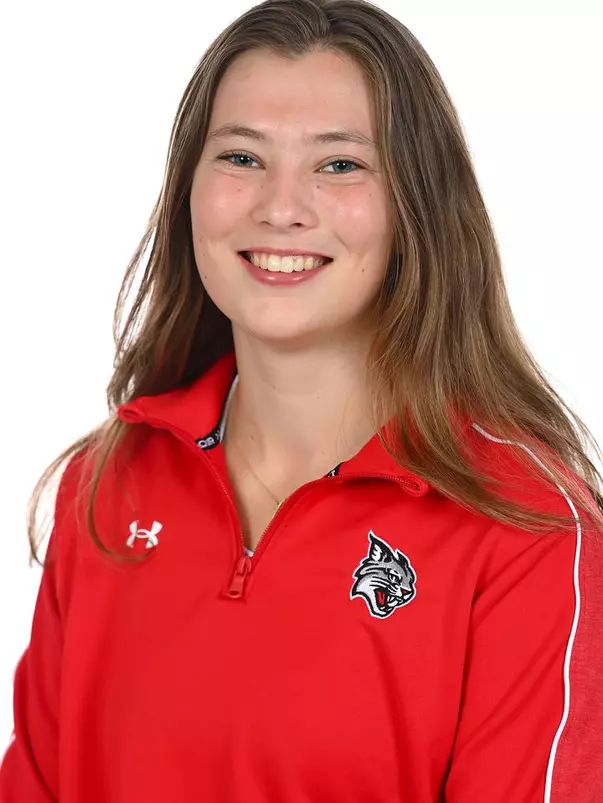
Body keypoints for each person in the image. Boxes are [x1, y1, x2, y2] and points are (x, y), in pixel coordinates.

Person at [1, 0, 602, 800]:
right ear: (189, 190)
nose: (279, 207)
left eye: (339, 164)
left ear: (417, 207)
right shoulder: (107, 483)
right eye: (241, 158)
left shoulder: (526, 529)